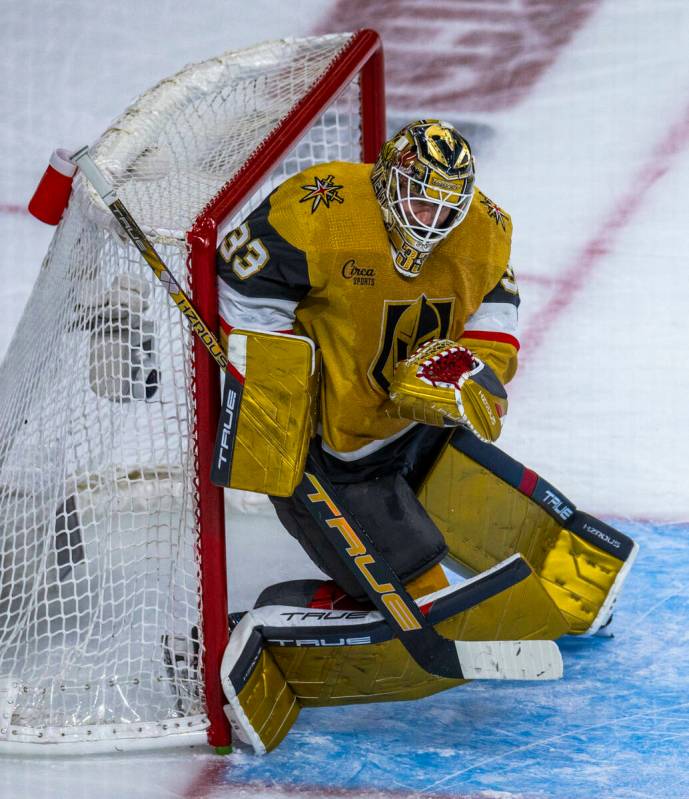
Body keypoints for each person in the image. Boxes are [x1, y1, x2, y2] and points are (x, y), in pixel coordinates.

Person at [215, 120, 637, 754]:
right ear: (388, 182)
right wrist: (278, 392)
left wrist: (473, 367)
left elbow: (496, 302)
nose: (433, 216)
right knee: (418, 585)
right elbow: (243, 284)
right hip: (335, 448)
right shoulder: (320, 206)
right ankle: (290, 614)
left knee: (496, 507)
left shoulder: (483, 229)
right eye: (420, 198)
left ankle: (557, 578)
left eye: (447, 204)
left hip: (417, 424)